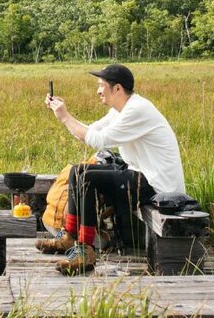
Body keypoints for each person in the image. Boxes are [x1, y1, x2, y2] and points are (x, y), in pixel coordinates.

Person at [41, 63, 185, 275]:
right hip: (141, 176)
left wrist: (65, 117)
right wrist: (62, 115)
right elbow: (90, 132)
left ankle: (85, 252)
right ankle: (70, 237)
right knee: (78, 171)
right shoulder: (120, 111)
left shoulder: (137, 110)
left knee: (87, 177)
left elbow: (98, 140)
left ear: (117, 88)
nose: (98, 91)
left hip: (159, 187)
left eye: (101, 85)